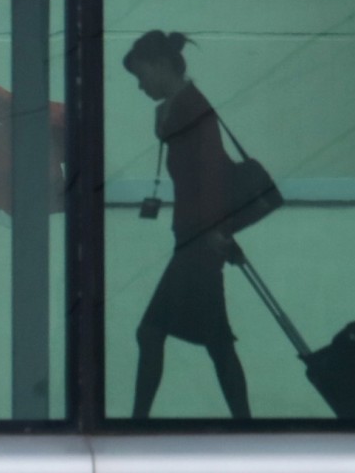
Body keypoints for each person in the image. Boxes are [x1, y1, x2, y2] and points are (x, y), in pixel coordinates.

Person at [124, 30, 251, 420]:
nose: (140, 85)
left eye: (142, 74)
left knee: (151, 332)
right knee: (216, 343)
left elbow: (209, 174)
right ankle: (245, 425)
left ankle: (137, 425)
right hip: (198, 239)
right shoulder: (182, 107)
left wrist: (215, 232)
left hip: (200, 240)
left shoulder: (191, 108)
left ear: (162, 66)